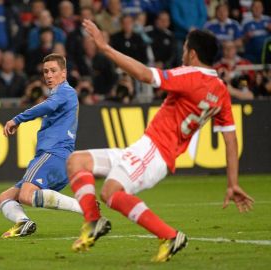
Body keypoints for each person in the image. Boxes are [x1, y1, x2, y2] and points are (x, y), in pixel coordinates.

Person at [66, 19, 254, 262]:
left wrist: (105, 48)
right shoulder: (219, 90)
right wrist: (232, 183)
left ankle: (169, 235)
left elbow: (144, 75)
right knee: (77, 161)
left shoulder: (191, 76)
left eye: (185, 48)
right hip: (148, 149)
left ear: (193, 53)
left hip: (156, 150)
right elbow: (231, 140)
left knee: (111, 192)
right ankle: (92, 221)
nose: (183, 52)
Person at [0, 53, 82, 238]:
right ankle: (23, 223)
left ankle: (85, 206)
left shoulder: (65, 91)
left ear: (64, 73)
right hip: (59, 158)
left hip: (53, 153)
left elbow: (47, 107)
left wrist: (17, 119)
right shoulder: (59, 95)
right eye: (46, 71)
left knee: (26, 196)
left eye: (53, 71)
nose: (49, 75)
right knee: (5, 197)